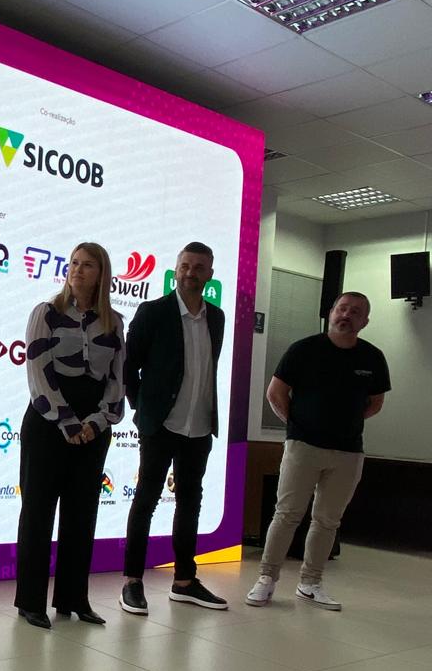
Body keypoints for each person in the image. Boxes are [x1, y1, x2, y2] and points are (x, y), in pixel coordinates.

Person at [247, 291, 390, 611]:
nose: (347, 315)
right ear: (331, 312)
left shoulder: (372, 357)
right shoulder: (304, 349)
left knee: (327, 520)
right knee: (287, 514)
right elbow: (275, 393)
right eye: (342, 308)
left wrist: (344, 425)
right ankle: (266, 579)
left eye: (355, 312)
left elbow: (376, 403)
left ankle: (310, 583)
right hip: (303, 446)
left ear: (365, 321)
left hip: (348, 452)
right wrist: (298, 425)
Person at [14, 243, 126, 629]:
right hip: (48, 423)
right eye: (74, 263)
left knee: (82, 515)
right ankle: (30, 602)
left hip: (93, 427)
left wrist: (98, 421)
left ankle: (74, 598)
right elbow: (38, 372)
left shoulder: (114, 322)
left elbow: (117, 380)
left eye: (87, 265)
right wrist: (67, 421)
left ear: (101, 274)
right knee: (37, 513)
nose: (78, 270)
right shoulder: (46, 313)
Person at [120, 242, 226, 616]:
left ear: (209, 274)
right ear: (176, 270)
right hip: (160, 425)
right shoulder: (153, 312)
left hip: (199, 427)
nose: (191, 273)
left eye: (199, 267)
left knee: (190, 503)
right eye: (185, 266)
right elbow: (127, 366)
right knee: (146, 501)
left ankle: (184, 581)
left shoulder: (217, 317)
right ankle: (132, 581)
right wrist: (142, 407)